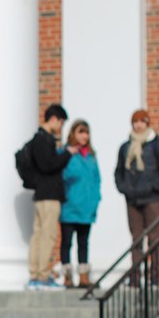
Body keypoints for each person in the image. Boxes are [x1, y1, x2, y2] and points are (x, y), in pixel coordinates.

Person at [115, 109, 159, 283]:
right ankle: (135, 277)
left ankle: (155, 276)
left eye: (142, 122)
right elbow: (119, 172)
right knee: (136, 239)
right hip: (132, 198)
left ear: (147, 123)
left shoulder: (157, 145)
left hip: (152, 199)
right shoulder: (126, 147)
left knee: (154, 238)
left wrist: (153, 186)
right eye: (136, 122)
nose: (138, 125)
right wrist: (124, 188)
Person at [26, 104, 76, 290]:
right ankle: (42, 275)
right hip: (49, 196)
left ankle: (36, 275)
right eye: (61, 122)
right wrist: (67, 154)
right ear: (54, 119)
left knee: (38, 235)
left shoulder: (39, 139)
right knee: (47, 235)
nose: (61, 127)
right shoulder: (44, 139)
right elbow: (49, 166)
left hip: (42, 195)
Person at [59, 119, 102, 289]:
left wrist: (96, 199)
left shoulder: (91, 156)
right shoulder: (65, 153)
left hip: (87, 207)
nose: (84, 136)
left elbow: (97, 180)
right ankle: (67, 276)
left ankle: (84, 276)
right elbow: (62, 176)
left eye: (86, 132)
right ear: (73, 134)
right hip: (69, 206)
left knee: (84, 242)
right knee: (67, 242)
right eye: (80, 132)